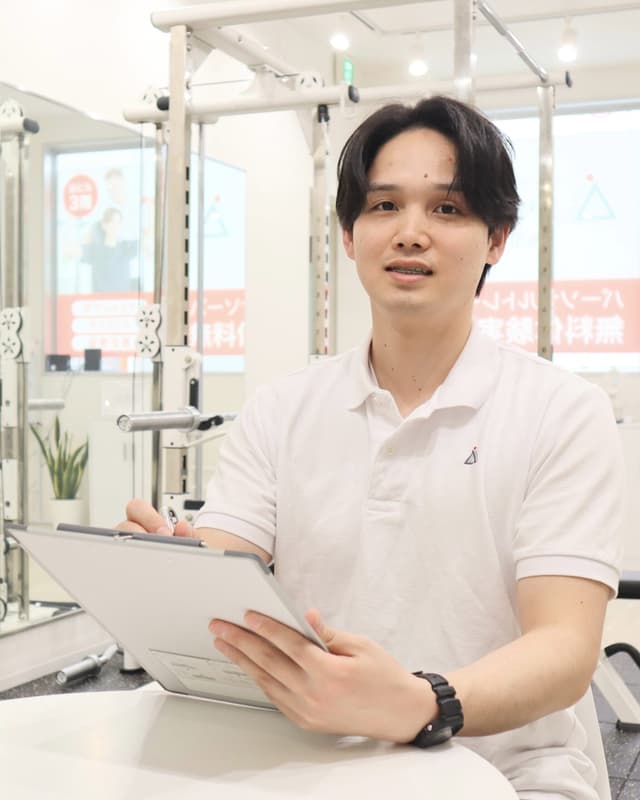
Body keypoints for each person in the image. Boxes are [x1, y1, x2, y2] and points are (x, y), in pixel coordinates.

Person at [122, 95, 624, 799]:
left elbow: (564, 650)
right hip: (313, 759)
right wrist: (169, 570)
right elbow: (226, 573)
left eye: (446, 209)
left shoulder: (561, 411)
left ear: (496, 239)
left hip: (508, 770)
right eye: (385, 206)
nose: (411, 233)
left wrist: (422, 701)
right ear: (351, 236)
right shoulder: (282, 409)